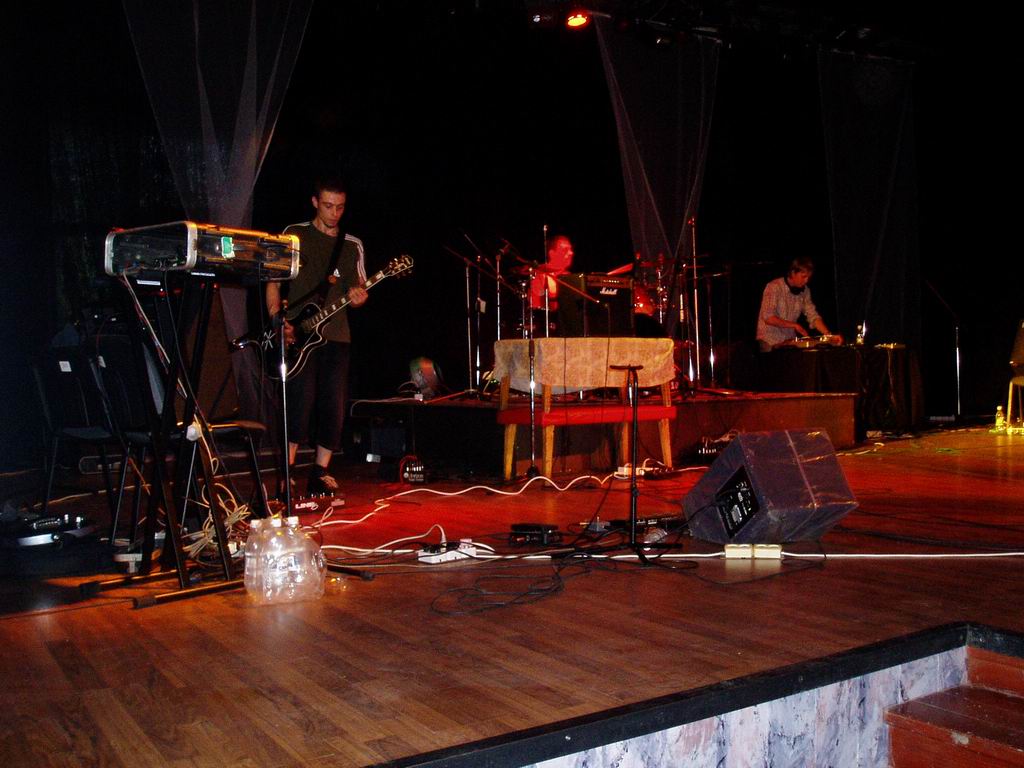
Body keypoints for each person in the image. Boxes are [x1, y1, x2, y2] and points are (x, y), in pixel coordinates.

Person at [266, 178, 368, 494]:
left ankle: (320, 472)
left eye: (340, 207)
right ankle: (286, 474)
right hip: (299, 333)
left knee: (333, 404)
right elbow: (273, 281)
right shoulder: (293, 235)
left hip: (337, 335)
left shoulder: (352, 245)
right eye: (328, 206)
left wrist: (359, 297)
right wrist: (277, 321)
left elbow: (358, 292)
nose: (334, 213)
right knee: (298, 403)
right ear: (314, 202)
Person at [756, 256, 842, 351]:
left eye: (808, 277)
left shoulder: (805, 291)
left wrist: (828, 335)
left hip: (789, 341)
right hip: (770, 341)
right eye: (803, 276)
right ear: (793, 273)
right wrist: (794, 325)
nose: (806, 280)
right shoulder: (774, 287)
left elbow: (813, 316)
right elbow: (768, 317)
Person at [529, 235, 574, 311]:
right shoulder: (539, 275)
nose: (571, 253)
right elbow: (536, 307)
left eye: (570, 249)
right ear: (552, 254)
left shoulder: (569, 276)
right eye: (565, 250)